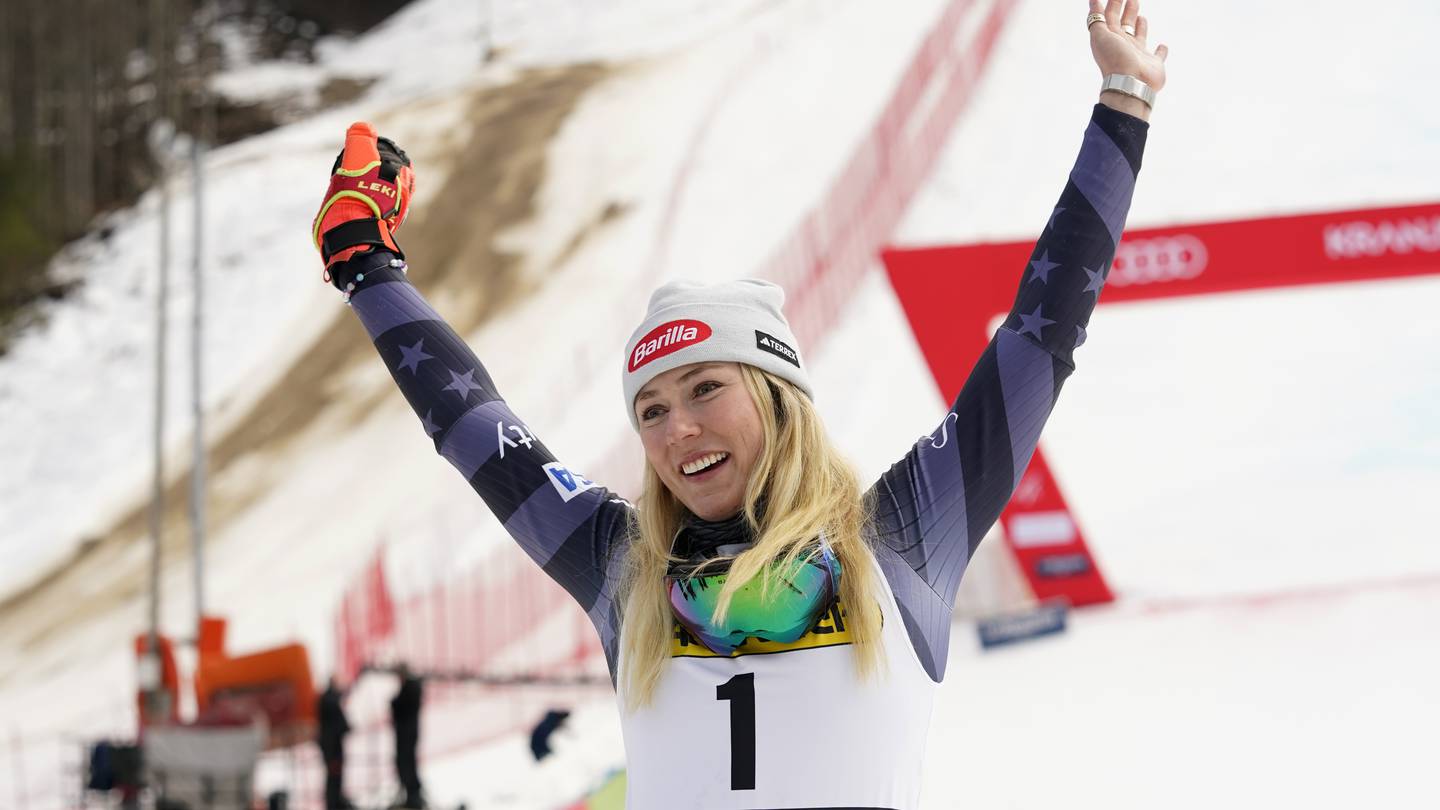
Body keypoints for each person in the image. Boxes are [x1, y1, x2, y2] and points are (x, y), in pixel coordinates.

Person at [308, 1, 1166, 806]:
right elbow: (474, 427)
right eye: (649, 410)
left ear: (778, 398)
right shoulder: (625, 568)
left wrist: (1123, 105)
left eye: (706, 389)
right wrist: (364, 265)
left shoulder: (900, 538)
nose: (677, 428)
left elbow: (1038, 339)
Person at [389, 664, 425, 809]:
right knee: (406, 763)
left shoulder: (410, 687)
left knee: (407, 763)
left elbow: (399, 705)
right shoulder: (412, 687)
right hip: (407, 734)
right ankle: (411, 795)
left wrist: (393, 703)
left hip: (406, 734)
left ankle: (413, 797)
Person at [316, 677, 354, 810]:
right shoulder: (330, 700)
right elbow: (340, 723)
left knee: (335, 777)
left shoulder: (328, 699)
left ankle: (335, 802)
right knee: (333, 777)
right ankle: (333, 803)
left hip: (331, 746)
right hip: (332, 748)